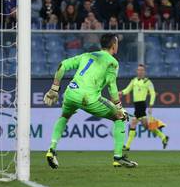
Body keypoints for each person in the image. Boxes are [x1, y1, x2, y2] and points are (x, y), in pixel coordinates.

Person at [43, 33, 137, 168]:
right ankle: (118, 157)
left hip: (70, 93)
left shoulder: (87, 55)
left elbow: (62, 65)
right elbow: (112, 87)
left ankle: (51, 150)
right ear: (113, 45)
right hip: (88, 98)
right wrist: (119, 107)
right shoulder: (112, 62)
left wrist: (54, 89)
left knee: (64, 116)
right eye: (117, 43)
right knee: (120, 117)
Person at [121, 64, 169, 151]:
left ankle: (127, 146)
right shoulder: (134, 81)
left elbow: (153, 93)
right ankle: (163, 137)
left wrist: (151, 105)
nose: (140, 72)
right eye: (138, 70)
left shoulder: (148, 82)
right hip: (136, 105)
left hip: (142, 105)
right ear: (136, 71)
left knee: (133, 123)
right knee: (146, 126)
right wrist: (121, 92)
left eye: (142, 70)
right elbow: (127, 90)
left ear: (144, 72)